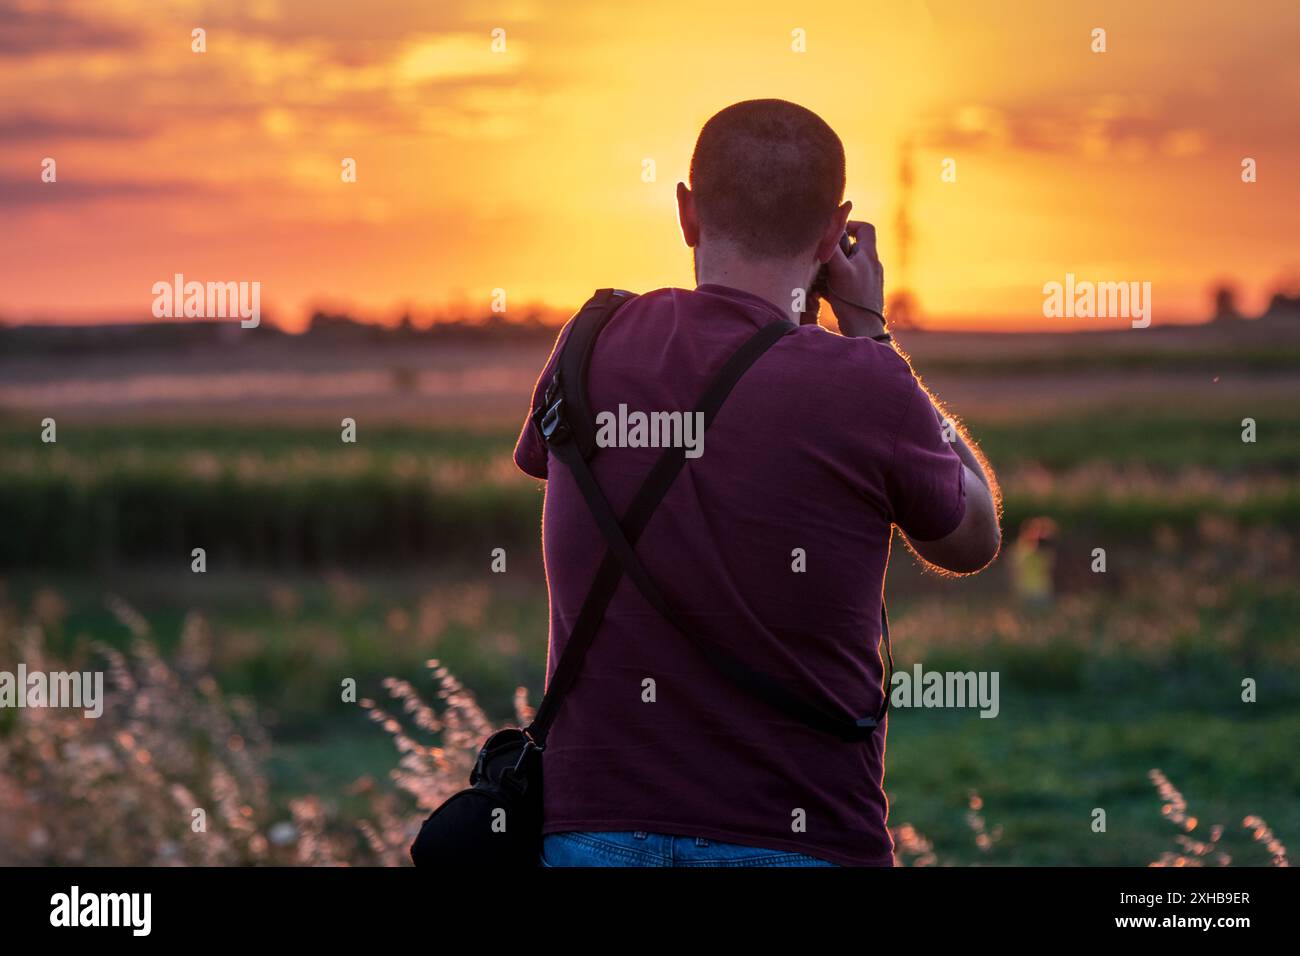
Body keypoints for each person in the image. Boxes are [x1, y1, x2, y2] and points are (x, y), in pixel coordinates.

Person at [514, 99, 1001, 867]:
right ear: (832, 232)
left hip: (590, 832)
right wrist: (872, 330)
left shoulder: (592, 339)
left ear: (685, 212)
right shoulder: (863, 380)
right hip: (798, 837)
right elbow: (973, 538)